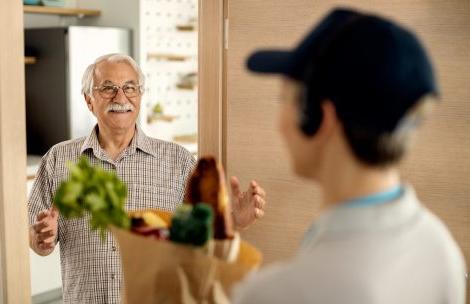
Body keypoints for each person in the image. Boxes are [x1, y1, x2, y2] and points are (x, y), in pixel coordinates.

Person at [233, 8, 466, 304]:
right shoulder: (442, 250)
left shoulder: (278, 293)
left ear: (320, 118)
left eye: (285, 100)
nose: (280, 124)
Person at [28, 53, 267, 304]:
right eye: (108, 88)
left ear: (140, 96)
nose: (120, 97)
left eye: (130, 88)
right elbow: (36, 238)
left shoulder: (179, 161)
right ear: (89, 100)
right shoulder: (58, 159)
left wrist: (234, 222)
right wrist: (40, 238)